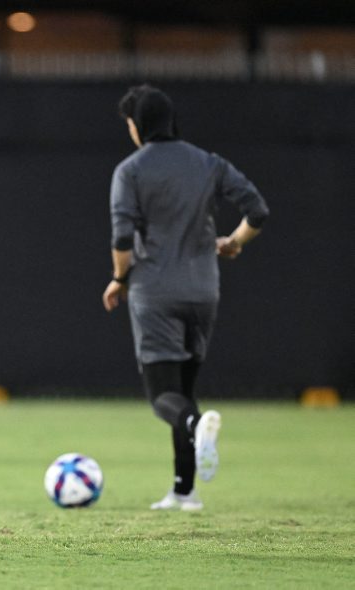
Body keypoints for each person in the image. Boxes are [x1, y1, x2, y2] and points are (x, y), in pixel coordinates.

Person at [102, 84, 269, 511]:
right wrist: (234, 242)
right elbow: (257, 211)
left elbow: (122, 237)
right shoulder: (208, 162)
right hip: (203, 291)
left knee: (164, 398)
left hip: (156, 293)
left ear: (137, 126)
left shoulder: (130, 170)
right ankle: (184, 491)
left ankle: (195, 427)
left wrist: (119, 278)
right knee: (185, 392)